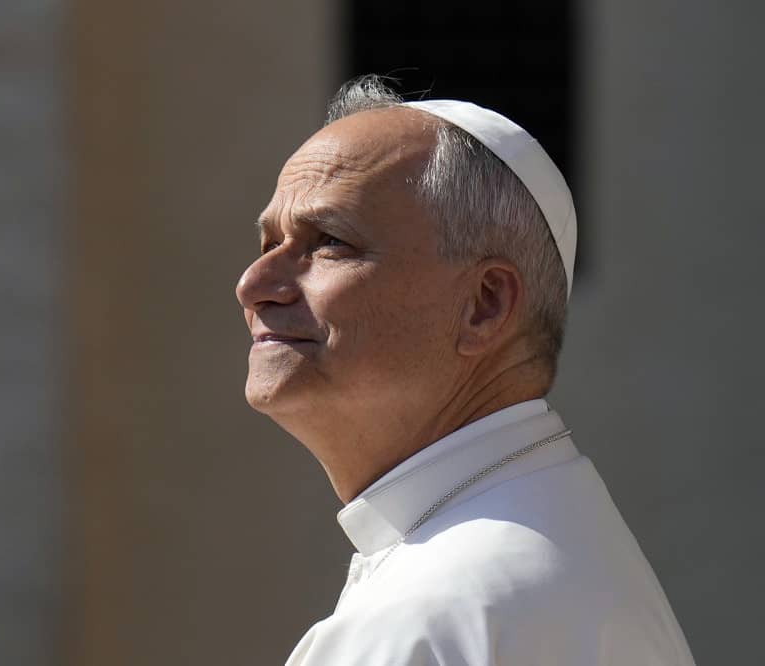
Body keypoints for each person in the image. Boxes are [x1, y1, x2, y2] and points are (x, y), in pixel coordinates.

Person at [235, 76, 696, 666]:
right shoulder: (554, 539)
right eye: (268, 243)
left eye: (328, 241)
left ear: (484, 305)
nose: (253, 285)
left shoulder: (426, 617)